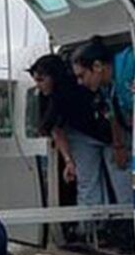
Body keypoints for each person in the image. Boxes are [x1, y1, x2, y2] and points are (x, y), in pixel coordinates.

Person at [29, 53, 113, 233]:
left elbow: (55, 128)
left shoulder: (72, 89)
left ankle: (100, 227)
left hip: (103, 133)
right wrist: (68, 160)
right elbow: (56, 130)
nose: (38, 84)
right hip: (86, 134)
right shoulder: (49, 96)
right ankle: (92, 228)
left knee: (103, 181)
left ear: (54, 77)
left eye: (41, 79)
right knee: (89, 182)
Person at [72, 37, 135, 250]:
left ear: (98, 67)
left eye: (82, 76)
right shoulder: (108, 87)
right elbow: (113, 115)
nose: (80, 83)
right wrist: (118, 146)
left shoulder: (130, 69)